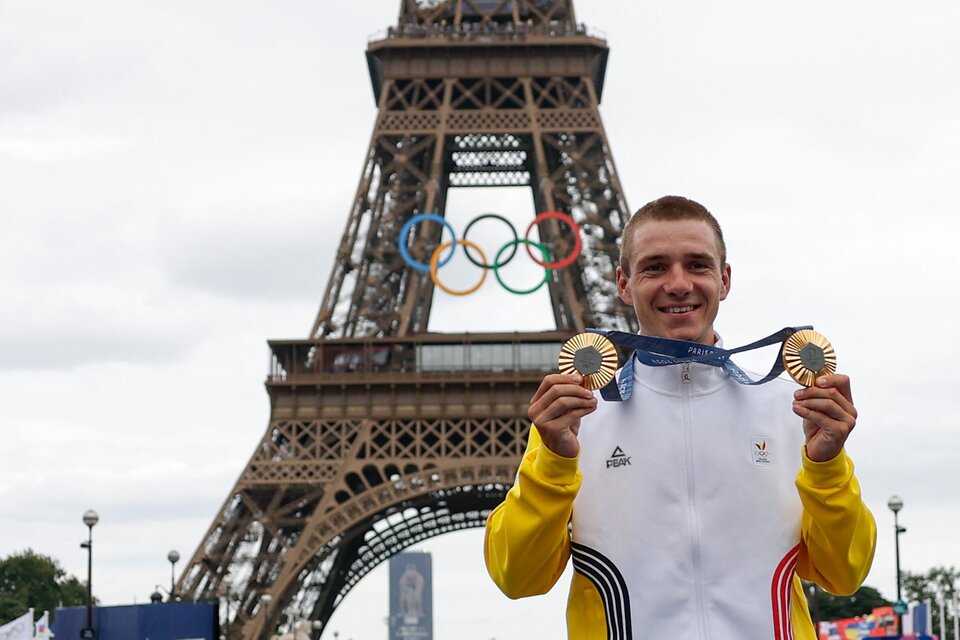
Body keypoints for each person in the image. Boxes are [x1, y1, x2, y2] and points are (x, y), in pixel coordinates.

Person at [483, 195, 876, 640]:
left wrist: (826, 468)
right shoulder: (577, 421)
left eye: (697, 265)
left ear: (724, 280)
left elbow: (845, 573)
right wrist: (553, 464)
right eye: (654, 267)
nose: (678, 283)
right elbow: (516, 578)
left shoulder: (791, 409)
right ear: (623, 284)